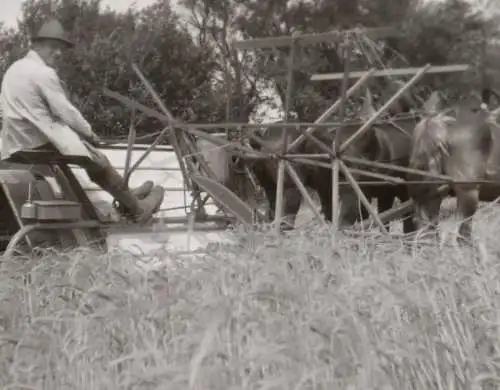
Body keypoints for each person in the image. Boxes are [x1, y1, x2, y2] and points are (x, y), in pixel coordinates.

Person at [0, 18, 165, 224]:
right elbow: (66, 111)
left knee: (89, 155)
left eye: (60, 49)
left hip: (15, 142)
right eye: (53, 48)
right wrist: (89, 133)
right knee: (97, 159)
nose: (58, 54)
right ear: (37, 46)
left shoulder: (14, 69)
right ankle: (137, 209)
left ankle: (127, 195)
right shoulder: (43, 73)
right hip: (36, 142)